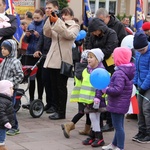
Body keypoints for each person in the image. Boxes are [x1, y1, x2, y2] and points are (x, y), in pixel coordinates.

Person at [81, 17, 118, 134]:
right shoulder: (93, 35)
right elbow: (89, 46)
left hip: (107, 66)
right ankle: (96, 125)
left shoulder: (111, 34)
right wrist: (91, 56)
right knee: (96, 96)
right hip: (95, 66)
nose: (93, 34)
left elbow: (109, 49)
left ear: (100, 29)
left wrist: (96, 54)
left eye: (94, 32)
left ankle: (109, 122)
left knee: (107, 96)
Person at [43, 7, 80, 120]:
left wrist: (57, 21)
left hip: (64, 59)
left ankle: (61, 112)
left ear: (71, 16)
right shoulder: (57, 23)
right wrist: (50, 19)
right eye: (62, 14)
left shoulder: (75, 26)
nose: (63, 17)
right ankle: (56, 108)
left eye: (66, 15)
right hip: (52, 59)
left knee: (61, 87)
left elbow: (69, 35)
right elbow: (47, 33)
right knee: (53, 86)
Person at [95, 8, 127, 132]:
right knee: (101, 90)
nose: (101, 24)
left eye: (102, 21)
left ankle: (110, 121)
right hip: (101, 61)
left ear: (107, 17)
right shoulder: (98, 28)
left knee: (111, 92)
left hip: (114, 62)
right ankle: (103, 116)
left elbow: (123, 44)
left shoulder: (118, 26)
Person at [102, 47, 135, 150]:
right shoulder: (126, 71)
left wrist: (106, 89)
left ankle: (120, 147)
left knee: (118, 127)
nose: (112, 56)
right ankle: (114, 144)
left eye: (114, 55)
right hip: (121, 104)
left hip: (117, 104)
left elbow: (117, 90)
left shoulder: (119, 73)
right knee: (118, 125)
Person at [33, 0, 59, 114]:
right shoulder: (45, 21)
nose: (47, 10)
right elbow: (42, 38)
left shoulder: (59, 21)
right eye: (46, 8)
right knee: (45, 80)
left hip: (54, 55)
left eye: (50, 8)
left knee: (54, 82)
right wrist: (38, 49)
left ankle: (55, 104)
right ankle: (49, 103)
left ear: (56, 8)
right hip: (44, 55)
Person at [81, 48, 106, 147]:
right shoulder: (88, 69)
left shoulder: (100, 71)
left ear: (98, 59)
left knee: (93, 116)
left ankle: (99, 137)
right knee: (93, 117)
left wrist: (98, 98)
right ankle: (93, 135)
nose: (89, 59)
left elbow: (100, 86)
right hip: (89, 98)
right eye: (88, 57)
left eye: (91, 57)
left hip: (97, 99)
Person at [61, 50, 89, 138]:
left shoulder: (78, 68)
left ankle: (86, 130)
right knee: (84, 112)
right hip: (86, 94)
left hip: (80, 94)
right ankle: (70, 125)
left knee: (86, 112)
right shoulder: (87, 70)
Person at [0, 39, 24, 136]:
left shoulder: (15, 62)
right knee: (3, 108)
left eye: (5, 49)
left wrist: (9, 83)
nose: (3, 51)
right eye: (2, 48)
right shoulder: (4, 61)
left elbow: (20, 76)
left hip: (10, 90)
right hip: (2, 90)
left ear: (12, 49)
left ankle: (15, 127)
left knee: (10, 109)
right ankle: (6, 125)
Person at [132, 31, 150, 143]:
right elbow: (136, 69)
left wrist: (143, 87)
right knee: (139, 108)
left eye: (142, 50)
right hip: (140, 84)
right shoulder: (138, 53)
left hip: (147, 85)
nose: (140, 52)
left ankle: (148, 132)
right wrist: (135, 82)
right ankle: (141, 131)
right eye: (138, 51)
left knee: (146, 109)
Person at [24, 9, 45, 103]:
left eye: (38, 18)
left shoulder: (44, 25)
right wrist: (27, 35)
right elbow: (26, 40)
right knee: (31, 78)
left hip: (39, 54)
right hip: (30, 53)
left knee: (40, 78)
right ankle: (31, 99)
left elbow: (45, 40)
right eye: (34, 18)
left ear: (42, 17)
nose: (36, 19)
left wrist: (38, 36)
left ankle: (40, 98)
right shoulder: (31, 25)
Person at [0, 80, 14, 150]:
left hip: (2, 125)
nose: (13, 90)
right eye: (11, 88)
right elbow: (1, 113)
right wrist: (6, 122)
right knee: (1, 141)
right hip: (1, 125)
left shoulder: (5, 100)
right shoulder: (3, 101)